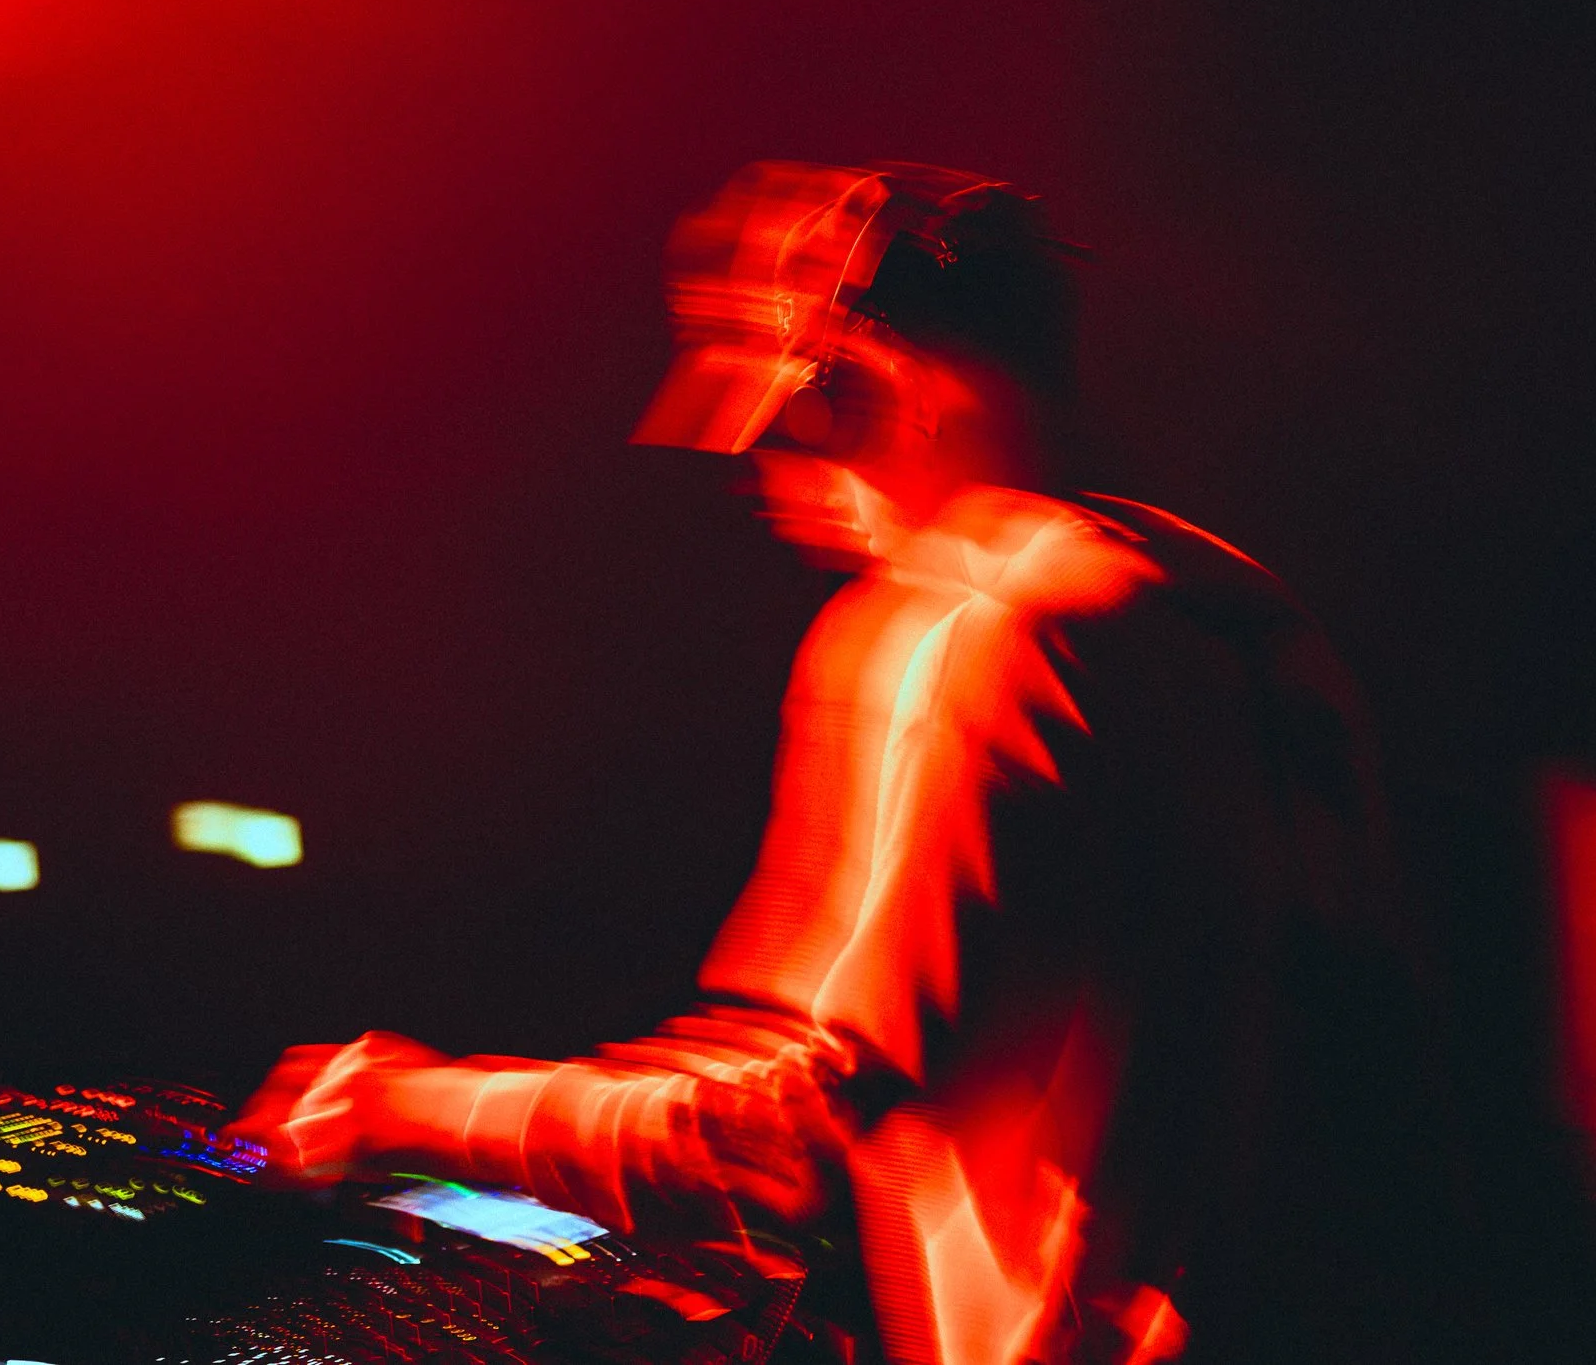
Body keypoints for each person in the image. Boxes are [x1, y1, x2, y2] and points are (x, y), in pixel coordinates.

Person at [231, 163, 1452, 1365]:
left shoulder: (979, 629)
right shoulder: (1234, 613)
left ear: (879, 384)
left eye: (780, 424)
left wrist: (411, 1106)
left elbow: (791, 1134)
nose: (767, 480)